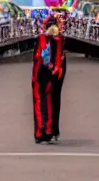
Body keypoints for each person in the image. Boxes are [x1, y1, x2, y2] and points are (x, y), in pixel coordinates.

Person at [32, 16, 63, 144]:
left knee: (39, 101)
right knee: (49, 101)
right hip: (52, 73)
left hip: (40, 73)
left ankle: (40, 131)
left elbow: (37, 56)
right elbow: (59, 59)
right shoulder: (59, 39)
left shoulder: (41, 38)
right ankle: (49, 130)